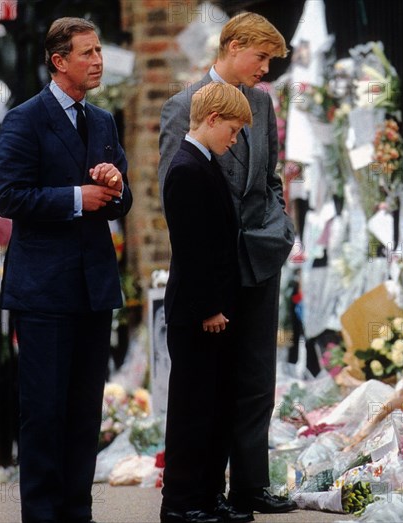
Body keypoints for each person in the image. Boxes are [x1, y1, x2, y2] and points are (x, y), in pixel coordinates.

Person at [0, 17, 132, 523]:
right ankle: (43, 515)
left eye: (99, 52)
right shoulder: (25, 120)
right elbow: (6, 196)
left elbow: (121, 201)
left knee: (83, 414)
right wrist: (77, 197)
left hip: (94, 287)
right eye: (88, 53)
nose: (98, 61)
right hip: (44, 292)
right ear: (59, 61)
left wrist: (116, 183)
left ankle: (78, 512)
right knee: (45, 413)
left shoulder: (103, 122)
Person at [158, 12, 296, 516]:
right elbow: (178, 191)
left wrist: (280, 227)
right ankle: (202, 494)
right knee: (208, 384)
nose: (264, 69)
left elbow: (272, 177)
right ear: (233, 46)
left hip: (260, 257)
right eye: (260, 57)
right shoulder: (184, 106)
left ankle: (249, 487)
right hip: (213, 265)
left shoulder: (263, 104)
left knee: (256, 377)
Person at [161, 81, 253, 523]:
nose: (234, 140)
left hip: (216, 307)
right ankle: (181, 503)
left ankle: (209, 494)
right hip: (198, 312)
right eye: (232, 130)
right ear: (212, 119)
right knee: (192, 409)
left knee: (217, 406)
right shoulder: (186, 168)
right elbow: (192, 247)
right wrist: (209, 308)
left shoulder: (205, 163)